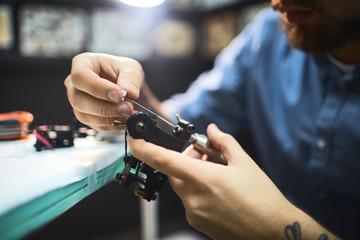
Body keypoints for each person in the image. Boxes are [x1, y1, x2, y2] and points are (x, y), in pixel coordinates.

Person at [65, 0, 360, 239]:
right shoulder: (270, 33)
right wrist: (131, 101)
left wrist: (274, 228)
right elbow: (178, 126)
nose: (277, 3)